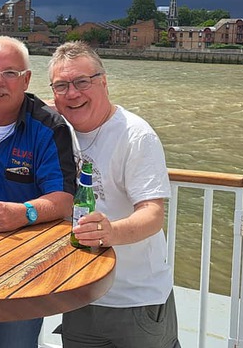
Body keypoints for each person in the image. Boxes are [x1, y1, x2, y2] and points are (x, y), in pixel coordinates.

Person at [48, 41, 179, 348]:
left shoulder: (135, 135)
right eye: (62, 85)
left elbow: (153, 214)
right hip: (79, 293)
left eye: (82, 82)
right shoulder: (58, 128)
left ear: (104, 82)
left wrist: (110, 233)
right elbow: (17, 100)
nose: (73, 93)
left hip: (135, 300)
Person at [0, 36, 77, 348]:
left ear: (26, 80)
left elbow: (64, 200)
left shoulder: (49, 127)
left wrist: (23, 213)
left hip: (26, 262)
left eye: (10, 73)